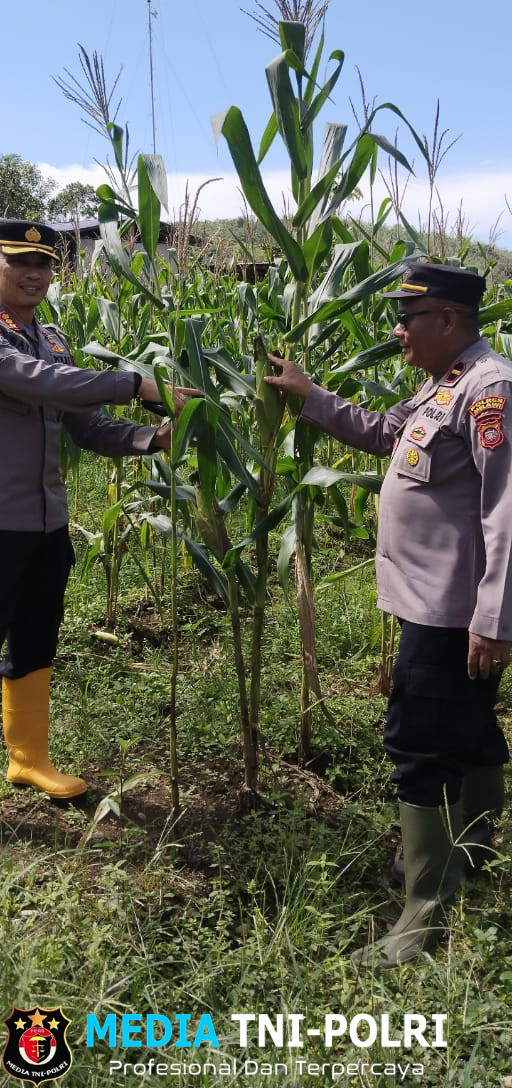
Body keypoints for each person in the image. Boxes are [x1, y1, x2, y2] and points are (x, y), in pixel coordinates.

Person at [265, 262, 511, 967]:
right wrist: (309, 396)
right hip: (434, 604)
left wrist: (495, 619)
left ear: (448, 319)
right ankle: (470, 866)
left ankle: (423, 917)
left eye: (410, 317)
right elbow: (382, 434)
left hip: (455, 610)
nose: (398, 331)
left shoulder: (490, 391)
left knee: (418, 745)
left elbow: (508, 511)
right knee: (465, 730)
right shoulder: (444, 383)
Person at [0, 218, 197, 855]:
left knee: (34, 639)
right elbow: (43, 384)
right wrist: (139, 384)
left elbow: (85, 423)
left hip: (45, 523)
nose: (33, 274)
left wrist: (150, 438)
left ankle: (27, 759)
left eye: (44, 265)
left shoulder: (52, 339)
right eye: (20, 260)